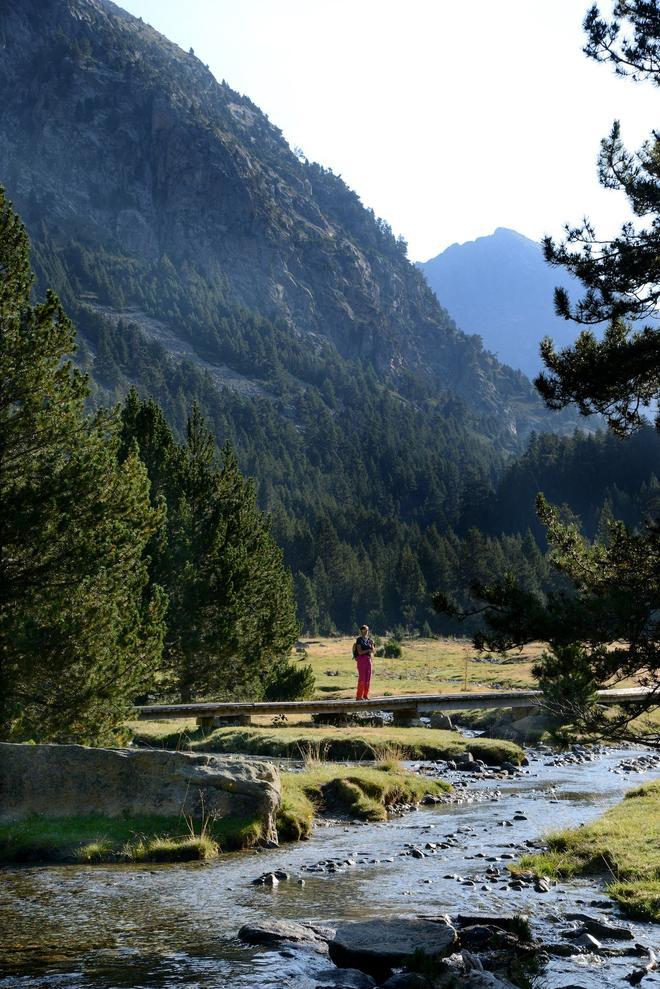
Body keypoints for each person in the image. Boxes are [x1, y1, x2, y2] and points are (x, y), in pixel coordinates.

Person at [352, 624, 375, 700]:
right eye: (363, 630)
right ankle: (359, 696)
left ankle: (365, 695)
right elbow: (360, 652)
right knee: (362, 678)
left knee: (368, 678)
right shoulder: (359, 640)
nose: (365, 631)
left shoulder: (369, 640)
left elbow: (373, 651)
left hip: (369, 660)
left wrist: (372, 644)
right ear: (361, 631)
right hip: (361, 660)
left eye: (366, 630)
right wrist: (368, 650)